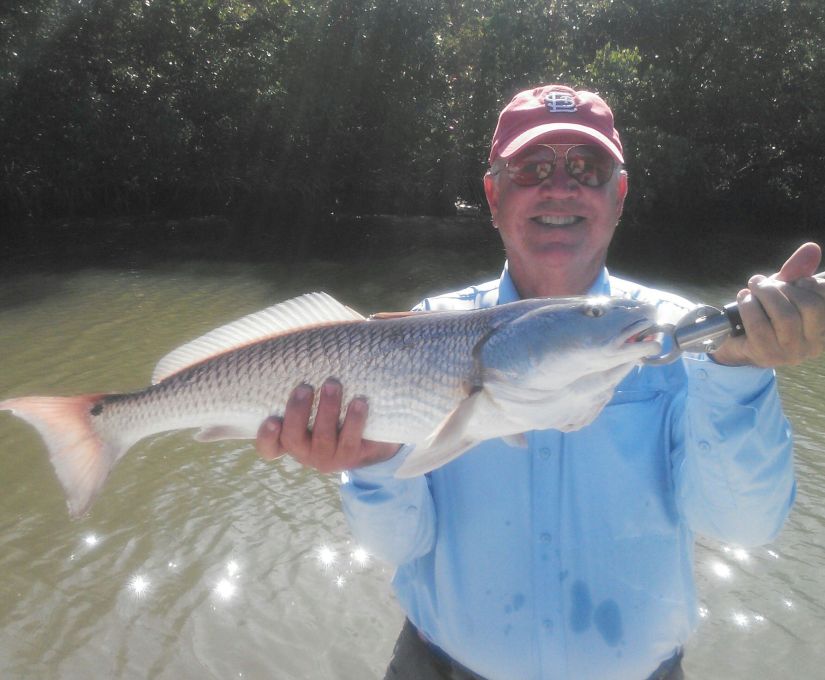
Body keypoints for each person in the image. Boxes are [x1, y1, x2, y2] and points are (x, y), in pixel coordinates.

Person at [255, 85, 825, 679]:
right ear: (493, 195)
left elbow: (742, 527)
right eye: (531, 169)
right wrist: (370, 466)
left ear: (619, 194)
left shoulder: (686, 338)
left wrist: (743, 373)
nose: (560, 187)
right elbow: (394, 547)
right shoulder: (421, 334)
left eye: (588, 167)